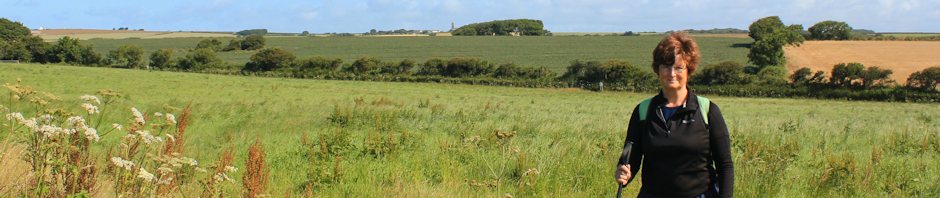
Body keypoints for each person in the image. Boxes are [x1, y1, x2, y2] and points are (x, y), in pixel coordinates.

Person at [614, 32, 734, 198]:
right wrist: (624, 172)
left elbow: (725, 165)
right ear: (658, 69)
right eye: (666, 67)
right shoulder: (643, 111)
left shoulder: (707, 111)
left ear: (689, 70)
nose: (672, 74)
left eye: (679, 68)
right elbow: (631, 160)